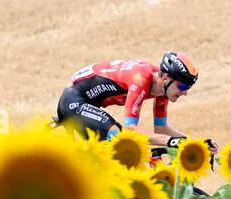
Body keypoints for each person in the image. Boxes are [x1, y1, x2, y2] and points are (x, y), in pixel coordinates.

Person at [55, 52, 213, 160]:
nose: (185, 93)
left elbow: (161, 129)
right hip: (74, 100)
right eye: (183, 87)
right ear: (165, 78)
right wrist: (172, 142)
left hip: (88, 104)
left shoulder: (162, 90)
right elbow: (130, 129)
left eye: (188, 88)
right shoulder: (140, 79)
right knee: (118, 137)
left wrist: (197, 145)